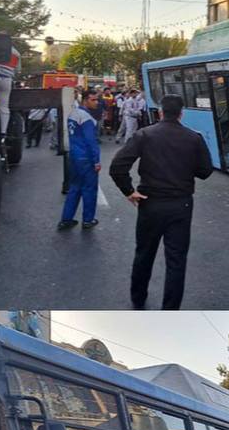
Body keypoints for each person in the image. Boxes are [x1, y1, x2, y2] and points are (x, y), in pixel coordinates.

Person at [109, 94, 213, 310]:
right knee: (176, 261)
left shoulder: (144, 135)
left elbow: (118, 166)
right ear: (182, 113)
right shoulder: (194, 138)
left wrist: (129, 191)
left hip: (150, 204)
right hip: (181, 206)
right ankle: (171, 307)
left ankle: (138, 300)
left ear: (160, 112)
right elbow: (205, 171)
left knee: (144, 254)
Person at [58, 88, 101, 231]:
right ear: (85, 100)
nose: (97, 102)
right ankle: (88, 220)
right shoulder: (86, 118)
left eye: (97, 99)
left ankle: (66, 219)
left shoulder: (73, 114)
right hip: (86, 158)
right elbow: (91, 142)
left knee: (74, 188)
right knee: (89, 189)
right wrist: (96, 160)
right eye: (93, 100)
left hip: (74, 157)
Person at [0, 35, 20, 142]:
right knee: (4, 107)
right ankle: (3, 133)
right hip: (6, 80)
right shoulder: (16, 53)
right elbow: (18, 70)